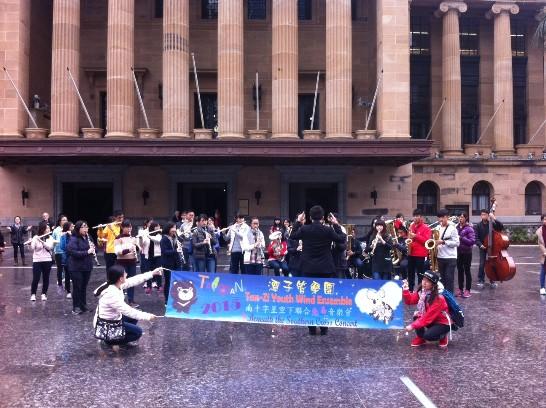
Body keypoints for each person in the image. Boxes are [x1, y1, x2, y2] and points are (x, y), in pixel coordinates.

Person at [289, 206, 346, 335]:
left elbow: (292, 235)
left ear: (310, 217)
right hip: (325, 268)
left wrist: (298, 221)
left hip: (308, 268)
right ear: (323, 217)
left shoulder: (305, 229)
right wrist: (335, 224)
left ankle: (312, 327)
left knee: (309, 298)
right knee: (324, 298)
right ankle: (324, 327)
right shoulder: (328, 230)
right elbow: (342, 238)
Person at [93, 265, 161, 347]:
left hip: (113, 318)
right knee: (137, 332)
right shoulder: (111, 294)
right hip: (106, 325)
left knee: (134, 317)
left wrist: (152, 273)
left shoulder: (114, 284)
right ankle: (109, 341)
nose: (127, 274)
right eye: (125, 273)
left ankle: (119, 335)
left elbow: (134, 280)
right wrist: (148, 316)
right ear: (120, 279)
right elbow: (128, 311)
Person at [402, 270, 450, 348]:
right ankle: (421, 338)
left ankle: (442, 336)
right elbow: (410, 301)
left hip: (442, 322)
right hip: (432, 319)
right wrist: (405, 290)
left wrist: (412, 326)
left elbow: (428, 317)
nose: (424, 282)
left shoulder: (439, 298)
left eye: (427, 281)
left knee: (428, 336)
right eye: (423, 279)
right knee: (417, 315)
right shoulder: (423, 292)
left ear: (433, 285)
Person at [66, 221, 95, 314]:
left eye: (86, 227)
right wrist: (87, 252)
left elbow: (94, 249)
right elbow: (72, 252)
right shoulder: (73, 238)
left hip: (87, 266)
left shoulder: (88, 237)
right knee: (77, 287)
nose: (86, 229)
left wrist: (93, 249)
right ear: (78, 228)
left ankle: (83, 306)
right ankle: (76, 307)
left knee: (83, 287)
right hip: (76, 267)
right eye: (83, 227)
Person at [474, 208, 504, 289]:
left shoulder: (492, 224)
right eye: (482, 214)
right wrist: (480, 245)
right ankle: (481, 280)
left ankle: (492, 280)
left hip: (492, 247)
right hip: (483, 247)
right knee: (482, 264)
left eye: (485, 215)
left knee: (493, 263)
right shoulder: (478, 226)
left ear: (488, 216)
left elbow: (501, 227)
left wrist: (494, 218)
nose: (483, 216)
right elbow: (476, 238)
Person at [114, 219, 139, 307]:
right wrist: (128, 250)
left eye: (130, 227)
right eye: (127, 227)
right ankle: (120, 301)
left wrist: (138, 246)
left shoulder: (133, 238)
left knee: (131, 281)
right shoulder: (118, 238)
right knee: (121, 282)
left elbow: (138, 249)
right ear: (122, 227)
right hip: (122, 263)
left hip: (132, 262)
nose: (129, 229)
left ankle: (131, 300)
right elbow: (117, 252)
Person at [434, 209, 459, 294]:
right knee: (442, 279)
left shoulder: (452, 228)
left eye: (443, 217)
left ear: (447, 217)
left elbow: (457, 243)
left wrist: (444, 242)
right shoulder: (437, 228)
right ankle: (442, 298)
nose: (441, 219)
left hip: (450, 257)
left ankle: (449, 298)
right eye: (439, 217)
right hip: (440, 256)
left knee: (449, 279)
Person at [30, 221, 55, 301]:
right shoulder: (36, 237)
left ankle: (44, 294)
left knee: (46, 278)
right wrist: (33, 241)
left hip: (47, 260)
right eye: (47, 228)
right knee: (36, 278)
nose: (48, 229)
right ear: (42, 229)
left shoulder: (50, 238)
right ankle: (33, 294)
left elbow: (50, 247)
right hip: (37, 260)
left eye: (49, 228)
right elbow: (32, 248)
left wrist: (41, 241)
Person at [407, 209, 431, 291]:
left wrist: (416, 236)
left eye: (417, 216)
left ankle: (419, 291)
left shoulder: (426, 228)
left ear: (421, 217)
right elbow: (409, 238)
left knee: (420, 274)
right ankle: (410, 290)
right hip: (411, 253)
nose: (415, 218)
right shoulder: (411, 226)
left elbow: (427, 241)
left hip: (420, 255)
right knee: (410, 273)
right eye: (414, 216)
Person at [160, 222, 182, 304]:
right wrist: (176, 251)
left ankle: (175, 297)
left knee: (176, 281)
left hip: (176, 262)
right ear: (168, 229)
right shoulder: (164, 239)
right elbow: (164, 251)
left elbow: (181, 242)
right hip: (167, 263)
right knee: (168, 281)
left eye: (175, 228)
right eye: (173, 228)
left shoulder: (175, 237)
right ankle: (167, 300)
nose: (174, 230)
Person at [139, 221, 163, 294]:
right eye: (157, 226)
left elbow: (158, 240)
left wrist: (148, 236)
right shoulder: (146, 233)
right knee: (148, 272)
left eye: (159, 226)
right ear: (153, 227)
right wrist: (140, 238)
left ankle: (159, 285)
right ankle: (149, 286)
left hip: (157, 256)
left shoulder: (159, 234)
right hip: (148, 256)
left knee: (158, 271)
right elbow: (141, 245)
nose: (159, 227)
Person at [456, 212, 475, 298]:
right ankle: (460, 289)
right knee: (460, 271)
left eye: (462, 217)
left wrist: (461, 238)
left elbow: (472, 241)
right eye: (460, 217)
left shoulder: (469, 228)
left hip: (467, 252)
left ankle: (468, 290)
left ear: (466, 218)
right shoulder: (456, 227)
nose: (460, 219)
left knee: (467, 271)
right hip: (458, 252)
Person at [52, 214, 68, 288]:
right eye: (63, 220)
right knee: (60, 268)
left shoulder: (69, 229)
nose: (65, 221)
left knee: (67, 268)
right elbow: (52, 240)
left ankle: (66, 280)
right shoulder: (56, 230)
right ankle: (59, 281)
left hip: (67, 251)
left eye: (66, 220)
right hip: (58, 251)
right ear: (60, 221)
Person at [58, 221, 73, 298]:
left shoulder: (74, 235)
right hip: (67, 258)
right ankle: (68, 291)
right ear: (67, 228)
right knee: (67, 275)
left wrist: (71, 236)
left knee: (75, 275)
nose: (73, 228)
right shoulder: (63, 236)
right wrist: (64, 236)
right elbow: (62, 247)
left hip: (75, 258)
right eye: (71, 227)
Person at [536, 214, 546, 295]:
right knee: (543, 270)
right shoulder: (540, 231)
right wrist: (545, 252)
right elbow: (540, 243)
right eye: (544, 219)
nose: (545, 221)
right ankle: (542, 287)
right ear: (542, 220)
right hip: (545, 254)